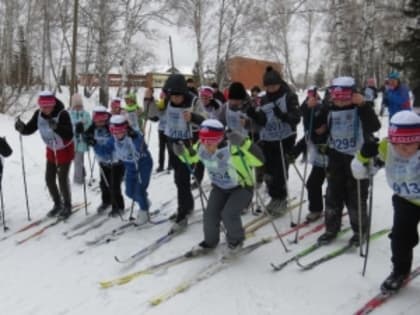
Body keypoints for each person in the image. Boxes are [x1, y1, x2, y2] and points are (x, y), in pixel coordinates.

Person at [351, 110, 420, 293]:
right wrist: (363, 156)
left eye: (410, 144)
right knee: (400, 238)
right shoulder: (386, 146)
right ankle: (400, 271)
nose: (403, 150)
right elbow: (363, 169)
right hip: (406, 200)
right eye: (397, 144)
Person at [173, 119, 264, 255]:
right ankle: (210, 242)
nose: (206, 146)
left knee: (228, 214)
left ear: (220, 139)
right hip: (220, 188)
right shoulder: (201, 147)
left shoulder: (233, 149)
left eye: (210, 142)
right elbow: (190, 158)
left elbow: (260, 160)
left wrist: (244, 143)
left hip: (241, 188)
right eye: (203, 141)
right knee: (210, 215)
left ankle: (236, 241)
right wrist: (181, 153)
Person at [316, 76, 381, 245]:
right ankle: (331, 228)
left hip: (358, 158)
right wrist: (315, 116)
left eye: (344, 97)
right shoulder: (329, 109)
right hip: (336, 157)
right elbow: (318, 128)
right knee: (332, 195)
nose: (340, 102)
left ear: (353, 95)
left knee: (356, 197)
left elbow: (375, 126)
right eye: (336, 97)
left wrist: (363, 105)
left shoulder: (361, 108)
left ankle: (360, 231)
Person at [246, 66, 300, 215]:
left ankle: (281, 198)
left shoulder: (289, 96)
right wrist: (253, 114)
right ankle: (274, 197)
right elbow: (263, 121)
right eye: (268, 87)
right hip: (268, 139)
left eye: (273, 86)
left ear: (280, 83)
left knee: (280, 171)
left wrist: (282, 115)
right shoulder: (264, 99)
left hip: (284, 139)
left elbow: (296, 118)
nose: (271, 89)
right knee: (268, 171)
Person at [15, 91, 75, 218]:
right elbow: (30, 129)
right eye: (42, 106)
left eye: (48, 106)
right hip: (51, 150)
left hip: (64, 149)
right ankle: (57, 203)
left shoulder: (62, 114)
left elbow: (69, 134)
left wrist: (57, 127)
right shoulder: (39, 114)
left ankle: (67, 206)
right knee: (49, 179)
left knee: (62, 179)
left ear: (53, 105)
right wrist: (21, 128)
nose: (45, 109)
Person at [162, 73, 205, 232]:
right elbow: (156, 116)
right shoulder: (168, 101)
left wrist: (193, 117)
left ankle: (182, 216)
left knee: (182, 178)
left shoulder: (194, 101)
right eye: (172, 96)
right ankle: (187, 206)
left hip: (190, 145)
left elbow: (206, 120)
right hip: (173, 143)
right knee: (179, 179)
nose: (175, 99)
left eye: (178, 96)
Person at [291, 86, 328, 222]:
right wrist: (293, 153)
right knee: (312, 183)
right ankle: (316, 209)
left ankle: (336, 210)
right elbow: (306, 138)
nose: (318, 128)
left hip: (335, 157)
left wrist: (326, 129)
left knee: (335, 188)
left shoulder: (325, 108)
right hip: (320, 158)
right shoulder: (310, 125)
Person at [109, 115, 153, 224]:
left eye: (121, 131)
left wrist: (136, 138)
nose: (118, 134)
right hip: (130, 168)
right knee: (129, 192)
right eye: (115, 131)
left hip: (143, 165)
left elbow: (142, 147)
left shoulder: (134, 135)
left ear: (126, 128)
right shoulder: (114, 139)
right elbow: (106, 150)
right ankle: (144, 202)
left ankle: (144, 212)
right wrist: (94, 143)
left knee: (139, 191)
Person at [84, 106, 125, 217]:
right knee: (103, 184)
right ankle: (106, 201)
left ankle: (118, 206)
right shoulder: (93, 127)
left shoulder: (113, 128)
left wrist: (95, 144)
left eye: (102, 120)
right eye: (97, 120)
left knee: (114, 185)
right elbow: (86, 136)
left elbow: (108, 149)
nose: (99, 123)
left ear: (106, 118)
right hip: (103, 162)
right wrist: (84, 135)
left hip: (116, 161)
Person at [69, 93, 91, 184]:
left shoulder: (85, 114)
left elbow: (89, 124)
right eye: (76, 105)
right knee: (76, 160)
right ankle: (82, 173)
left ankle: (78, 180)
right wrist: (76, 126)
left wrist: (83, 126)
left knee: (78, 160)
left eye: (79, 105)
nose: (78, 107)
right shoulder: (70, 114)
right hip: (72, 142)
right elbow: (69, 126)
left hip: (82, 142)